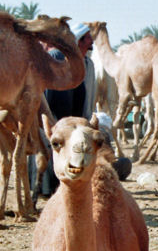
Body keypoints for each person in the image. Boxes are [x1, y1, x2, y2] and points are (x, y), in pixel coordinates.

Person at [35, 22, 98, 197]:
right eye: (88, 39)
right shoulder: (56, 56)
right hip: (55, 113)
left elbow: (88, 93)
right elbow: (49, 92)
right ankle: (45, 189)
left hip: (75, 115)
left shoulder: (86, 63)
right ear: (79, 41)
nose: (91, 42)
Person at [94, 112, 132, 181]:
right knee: (126, 162)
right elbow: (110, 156)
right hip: (101, 167)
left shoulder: (88, 133)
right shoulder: (104, 134)